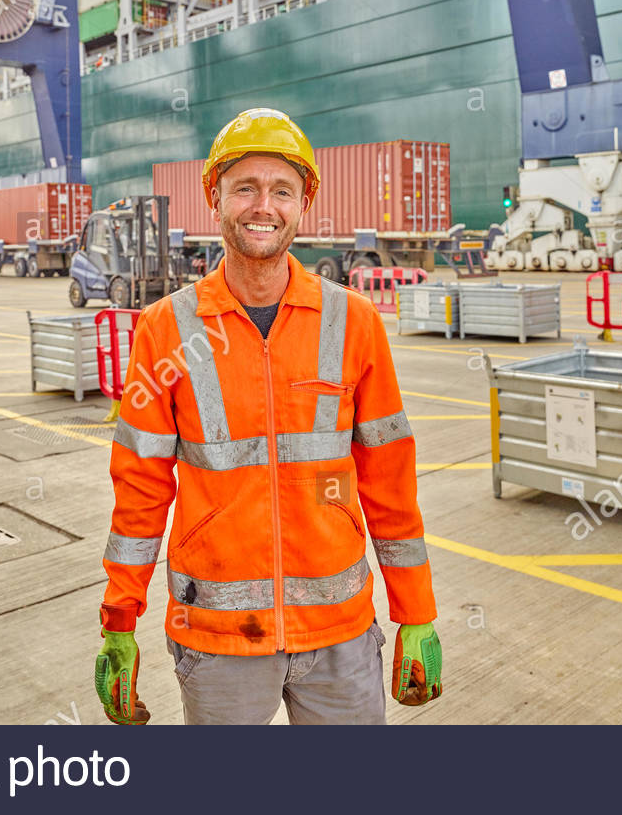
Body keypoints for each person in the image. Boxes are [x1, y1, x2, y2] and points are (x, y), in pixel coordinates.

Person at [94, 107, 441, 725]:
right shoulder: (166, 330)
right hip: (217, 642)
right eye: (245, 188)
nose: (264, 206)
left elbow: (388, 477)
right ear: (215, 199)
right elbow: (140, 489)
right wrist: (120, 621)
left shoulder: (353, 321)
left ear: (304, 202)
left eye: (282, 190)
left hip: (339, 634)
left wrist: (416, 611)